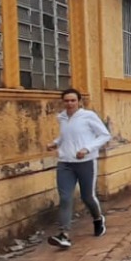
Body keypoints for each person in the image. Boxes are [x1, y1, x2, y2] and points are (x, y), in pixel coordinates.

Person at [46, 88, 112, 249]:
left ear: (79, 102)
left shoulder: (88, 116)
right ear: (63, 102)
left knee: (87, 196)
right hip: (65, 163)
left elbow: (104, 135)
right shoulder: (61, 117)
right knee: (65, 198)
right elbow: (66, 136)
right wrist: (55, 143)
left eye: (73, 100)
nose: (69, 104)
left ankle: (98, 219)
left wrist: (87, 149)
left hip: (85, 162)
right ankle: (64, 234)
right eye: (67, 101)